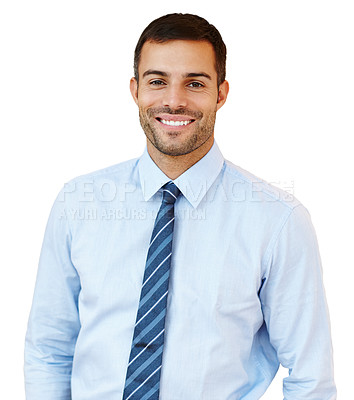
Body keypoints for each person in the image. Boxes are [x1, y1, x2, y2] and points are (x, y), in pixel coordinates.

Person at [24, 13, 337, 400]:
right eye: (157, 82)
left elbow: (310, 376)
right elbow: (49, 350)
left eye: (195, 83)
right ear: (135, 90)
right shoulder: (76, 204)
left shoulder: (278, 221)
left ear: (221, 93)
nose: (174, 100)